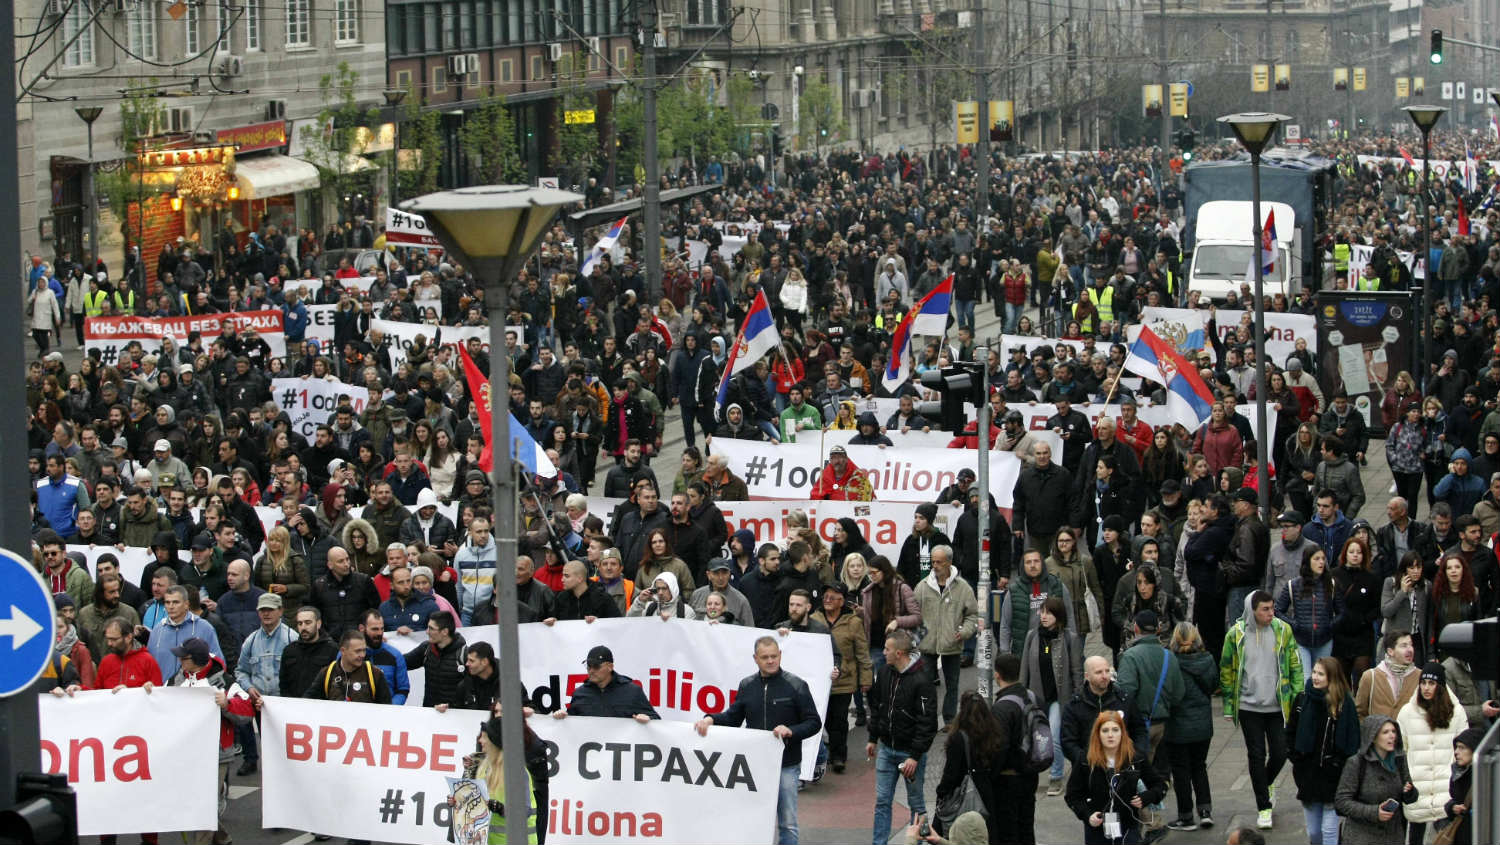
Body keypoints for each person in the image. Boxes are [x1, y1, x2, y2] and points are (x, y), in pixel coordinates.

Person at [695, 636, 822, 845]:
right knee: (752, 819)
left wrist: (790, 730)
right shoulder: (747, 685)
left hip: (786, 765)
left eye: (774, 656)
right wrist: (711, 718)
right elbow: (733, 718)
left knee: (787, 823)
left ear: (780, 656)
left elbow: (813, 722)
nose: (771, 661)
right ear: (755, 658)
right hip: (754, 766)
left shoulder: (796, 685)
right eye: (765, 657)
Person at [1219, 590, 1303, 830]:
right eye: (1265, 609)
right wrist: (1228, 704)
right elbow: (1226, 670)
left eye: (1272, 608)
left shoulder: (1282, 630)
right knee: (1256, 755)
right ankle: (1263, 806)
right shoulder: (1236, 635)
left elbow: (1295, 664)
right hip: (1248, 706)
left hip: (1277, 705)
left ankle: (1265, 783)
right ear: (1252, 610)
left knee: (1280, 752)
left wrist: (1298, 698)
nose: (1271, 613)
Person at [167, 637, 253, 845]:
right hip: (186, 753)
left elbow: (247, 711)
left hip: (216, 754)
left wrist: (227, 704)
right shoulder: (175, 680)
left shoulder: (226, 682)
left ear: (196, 660)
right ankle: (222, 838)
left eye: (183, 658)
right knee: (194, 803)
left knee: (203, 807)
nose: (179, 662)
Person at [865, 628, 938, 845]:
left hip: (909, 753)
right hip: (887, 749)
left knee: (916, 803)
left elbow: (927, 723)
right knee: (882, 801)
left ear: (899, 653)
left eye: (887, 649)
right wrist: (872, 737)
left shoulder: (922, 681)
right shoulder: (886, 672)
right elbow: (878, 706)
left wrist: (915, 756)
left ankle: (917, 841)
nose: (883, 652)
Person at [1284, 656, 1360, 845]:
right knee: (1314, 832)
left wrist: (1339, 765)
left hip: (1333, 777)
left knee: (1329, 831)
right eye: (1314, 672)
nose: (1315, 677)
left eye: (1321, 674)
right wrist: (1296, 757)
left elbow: (1352, 741)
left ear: (1332, 677)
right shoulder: (1303, 700)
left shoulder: (1344, 704)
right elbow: (1290, 732)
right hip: (1308, 776)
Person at [1063, 710, 1166, 845]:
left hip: (1128, 826)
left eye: (1115, 730)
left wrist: (1147, 797)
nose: (1110, 735)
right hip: (1097, 828)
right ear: (1098, 734)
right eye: (1105, 731)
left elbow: (1159, 785)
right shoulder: (1085, 760)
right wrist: (1087, 815)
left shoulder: (1135, 757)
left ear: (1122, 733)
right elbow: (1072, 795)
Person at [1395, 661, 1468, 844]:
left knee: (1445, 840)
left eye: (1432, 683)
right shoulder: (1406, 713)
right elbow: (1399, 752)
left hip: (1446, 793)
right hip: (1417, 792)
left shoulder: (1457, 713)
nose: (1426, 688)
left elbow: (1464, 749)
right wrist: (1406, 782)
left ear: (1441, 686)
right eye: (1423, 683)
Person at [1018, 595, 1084, 795]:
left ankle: (1056, 777)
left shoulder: (1069, 638)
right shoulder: (1032, 636)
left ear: (1059, 616)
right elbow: (1024, 668)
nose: (1044, 616)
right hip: (1037, 696)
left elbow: (1077, 671)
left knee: (1054, 736)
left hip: (1058, 697)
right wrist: (1021, 692)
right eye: (1042, 612)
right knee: (1035, 737)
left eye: (1049, 613)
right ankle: (1031, 774)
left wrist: (1078, 696)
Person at [914, 545, 980, 724]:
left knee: (952, 684)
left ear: (949, 562)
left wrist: (965, 632)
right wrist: (918, 638)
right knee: (926, 685)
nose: (935, 565)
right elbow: (914, 614)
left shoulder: (963, 588)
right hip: (928, 644)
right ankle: (928, 718)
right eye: (933, 562)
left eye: (939, 562)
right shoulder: (923, 586)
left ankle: (950, 718)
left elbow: (973, 615)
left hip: (952, 643)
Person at [232, 592, 295, 776]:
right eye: (262, 610)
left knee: (281, 740)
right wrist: (249, 688)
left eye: (270, 610)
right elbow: (240, 671)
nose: (266, 614)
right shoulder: (250, 641)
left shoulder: (292, 638)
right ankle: (250, 759)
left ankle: (284, 766)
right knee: (242, 720)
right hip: (257, 699)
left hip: (282, 701)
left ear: (281, 611)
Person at [1164, 623, 1217, 832]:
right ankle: (1205, 811)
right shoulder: (1208, 660)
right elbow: (1212, 686)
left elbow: (1168, 692)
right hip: (1203, 725)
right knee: (1199, 766)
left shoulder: (1170, 662)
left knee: (1180, 771)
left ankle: (1186, 816)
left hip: (1177, 725)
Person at [1333, 715, 1418, 845]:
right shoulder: (1356, 763)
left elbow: (1409, 795)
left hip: (1393, 836)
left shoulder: (1399, 759)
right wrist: (1374, 812)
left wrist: (1409, 792)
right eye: (1385, 732)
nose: (1392, 736)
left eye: (1393, 731)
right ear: (1373, 737)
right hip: (1362, 835)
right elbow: (1342, 801)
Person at [816, 583, 872, 774]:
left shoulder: (853, 622)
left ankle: (839, 756)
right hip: (820, 680)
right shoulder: (814, 619)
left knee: (839, 719)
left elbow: (862, 653)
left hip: (844, 680)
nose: (827, 600)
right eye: (825, 597)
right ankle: (829, 750)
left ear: (842, 601)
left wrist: (866, 679)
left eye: (832, 597)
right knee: (824, 720)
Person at [934, 691, 1005, 840]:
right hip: (986, 795)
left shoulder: (958, 738)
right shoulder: (994, 733)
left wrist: (941, 792)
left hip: (963, 798)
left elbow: (951, 775)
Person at [1274, 545, 1344, 683]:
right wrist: (1294, 625)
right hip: (1301, 640)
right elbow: (1277, 610)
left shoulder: (1331, 584)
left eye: (1323, 559)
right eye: (1316, 559)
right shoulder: (1293, 585)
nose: (1321, 562)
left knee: (1322, 680)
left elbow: (1342, 611)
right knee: (1306, 680)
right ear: (1307, 561)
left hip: (1324, 640)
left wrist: (1330, 625)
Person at [551, 645, 659, 720]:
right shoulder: (580, 693)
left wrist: (648, 718)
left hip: (621, 751)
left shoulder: (632, 691)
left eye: (596, 666)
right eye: (588, 666)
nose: (591, 670)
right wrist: (562, 716)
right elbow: (571, 722)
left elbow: (657, 721)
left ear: (610, 667)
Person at [403, 610, 466, 708]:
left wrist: (451, 706)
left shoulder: (464, 654)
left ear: (445, 631)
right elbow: (401, 662)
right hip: (429, 713)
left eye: (431, 629)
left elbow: (473, 689)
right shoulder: (426, 648)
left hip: (454, 715)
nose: (427, 632)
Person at [1356, 629, 1421, 720]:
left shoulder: (1420, 677)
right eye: (1404, 646)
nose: (1410, 649)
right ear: (1390, 651)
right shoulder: (1371, 677)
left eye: (1411, 645)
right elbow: (1359, 713)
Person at [1444, 726, 1482, 845]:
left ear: (1475, 749)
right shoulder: (1457, 772)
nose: (1456, 752)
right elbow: (1453, 799)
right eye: (1456, 747)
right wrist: (1452, 807)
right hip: (1460, 834)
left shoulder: (1486, 775)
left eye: (1462, 748)